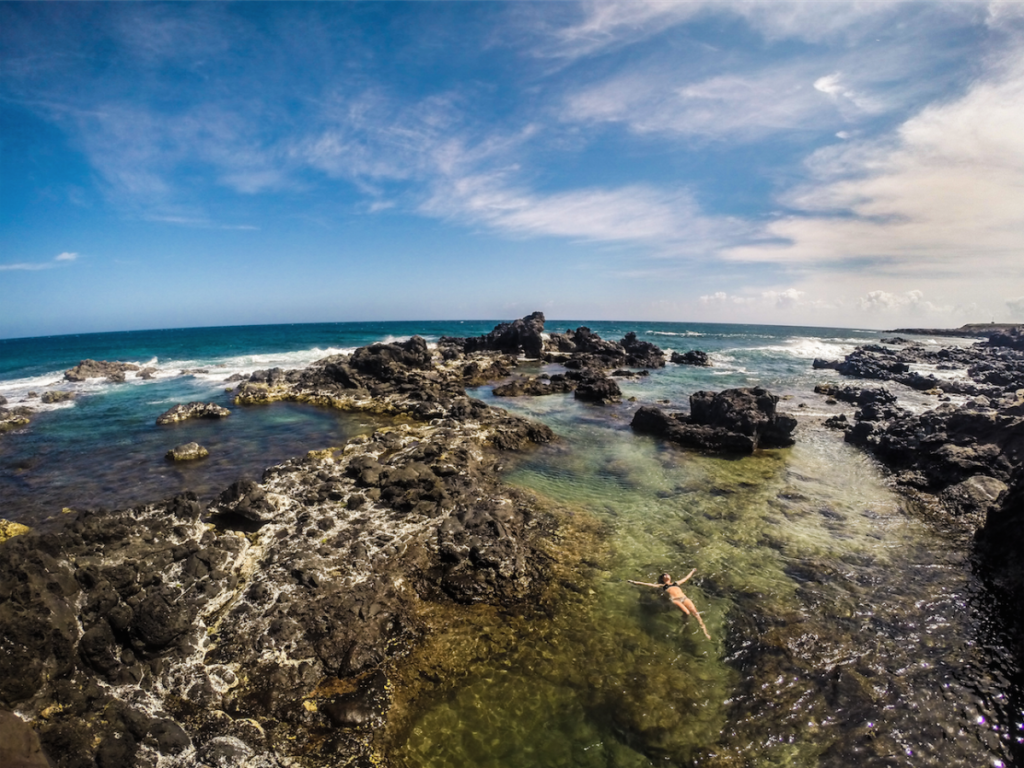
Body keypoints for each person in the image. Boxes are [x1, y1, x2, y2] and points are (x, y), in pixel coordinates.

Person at [628, 569, 711, 639]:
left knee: (696, 613)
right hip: (675, 600)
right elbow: (649, 584)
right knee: (686, 612)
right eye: (664, 575)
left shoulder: (676, 583)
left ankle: (705, 631)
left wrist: (692, 571)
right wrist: (634, 582)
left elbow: (686, 578)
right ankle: (685, 626)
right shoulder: (662, 586)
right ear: (662, 579)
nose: (666, 575)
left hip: (684, 598)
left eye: (667, 574)